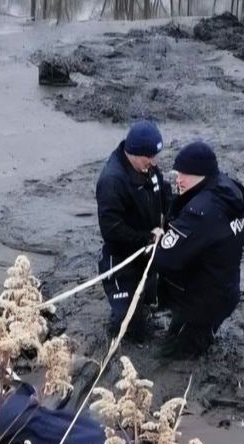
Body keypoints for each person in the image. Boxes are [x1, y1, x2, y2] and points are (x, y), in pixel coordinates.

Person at [153, 141, 244, 358]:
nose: (178, 179)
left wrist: (160, 240)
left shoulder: (200, 212)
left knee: (176, 355)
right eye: (178, 173)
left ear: (200, 174)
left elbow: (165, 259)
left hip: (200, 303)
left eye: (184, 174)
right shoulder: (231, 189)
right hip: (225, 288)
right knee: (199, 336)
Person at [95, 120, 171, 341]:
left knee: (150, 303)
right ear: (134, 153)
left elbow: (163, 193)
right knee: (126, 325)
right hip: (122, 261)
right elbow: (111, 230)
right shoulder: (112, 181)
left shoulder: (147, 166)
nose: (154, 162)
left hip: (147, 254)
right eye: (149, 157)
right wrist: (147, 238)